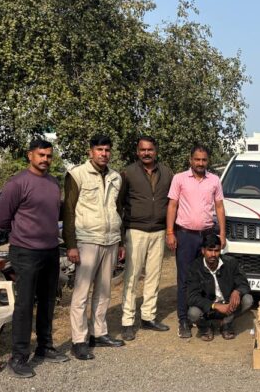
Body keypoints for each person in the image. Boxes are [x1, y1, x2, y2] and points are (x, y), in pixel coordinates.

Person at [0, 138, 67, 377]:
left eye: (49, 156)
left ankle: (45, 347)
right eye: (41, 155)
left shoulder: (53, 183)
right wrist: (24, 233)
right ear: (30, 156)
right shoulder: (17, 184)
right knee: (25, 304)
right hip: (25, 251)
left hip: (50, 250)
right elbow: (2, 220)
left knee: (48, 301)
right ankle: (18, 357)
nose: (45, 159)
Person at [62, 135, 125, 361]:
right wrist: (71, 244)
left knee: (104, 290)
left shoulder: (116, 177)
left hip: (111, 240)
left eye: (107, 150)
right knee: (81, 292)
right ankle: (79, 340)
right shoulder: (77, 174)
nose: (104, 154)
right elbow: (68, 211)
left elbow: (118, 209)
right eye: (99, 149)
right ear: (90, 152)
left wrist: (121, 241)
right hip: (87, 240)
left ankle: (99, 333)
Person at [117, 136, 174, 340]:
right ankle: (127, 321)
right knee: (131, 277)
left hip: (158, 231)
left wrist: (171, 231)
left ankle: (148, 317)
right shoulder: (128, 173)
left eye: (150, 149)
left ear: (156, 151)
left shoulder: (167, 173)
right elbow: (119, 204)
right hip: (135, 231)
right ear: (137, 152)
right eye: (143, 150)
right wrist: (120, 236)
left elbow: (172, 202)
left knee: (153, 276)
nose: (146, 153)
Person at [166, 145, 226, 338]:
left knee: (207, 276)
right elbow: (172, 205)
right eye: (197, 159)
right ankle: (183, 320)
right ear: (190, 160)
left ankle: (204, 317)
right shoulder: (179, 179)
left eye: (204, 160)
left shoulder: (214, 180)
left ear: (208, 161)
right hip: (185, 236)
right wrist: (170, 232)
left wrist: (222, 233)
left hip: (207, 235)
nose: (200, 163)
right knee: (184, 278)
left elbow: (219, 207)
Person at [186, 233, 253, 341]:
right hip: (208, 309)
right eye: (209, 250)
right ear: (203, 251)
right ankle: (206, 327)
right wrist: (215, 305)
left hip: (228, 306)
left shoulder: (231, 263)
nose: (213, 254)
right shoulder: (195, 268)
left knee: (248, 300)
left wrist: (237, 291)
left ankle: (226, 323)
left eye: (216, 251)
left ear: (220, 251)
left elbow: (244, 283)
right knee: (193, 313)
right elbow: (191, 297)